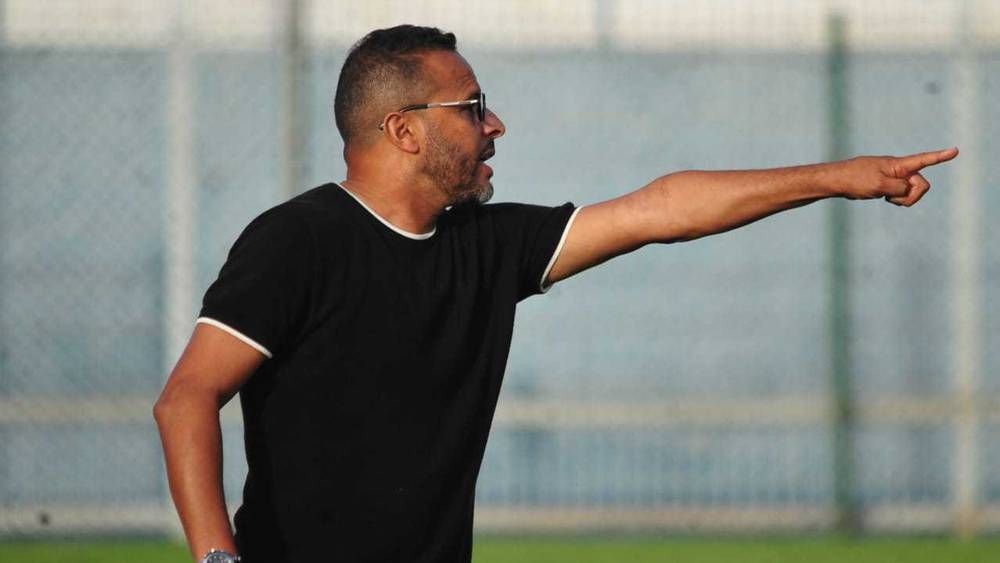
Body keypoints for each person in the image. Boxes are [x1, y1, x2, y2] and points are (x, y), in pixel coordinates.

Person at [153, 24, 958, 563]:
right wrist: (219, 558)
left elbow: (659, 210)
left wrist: (839, 176)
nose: (495, 123)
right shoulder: (297, 241)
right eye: (471, 108)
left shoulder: (488, 246)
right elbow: (186, 398)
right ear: (403, 130)